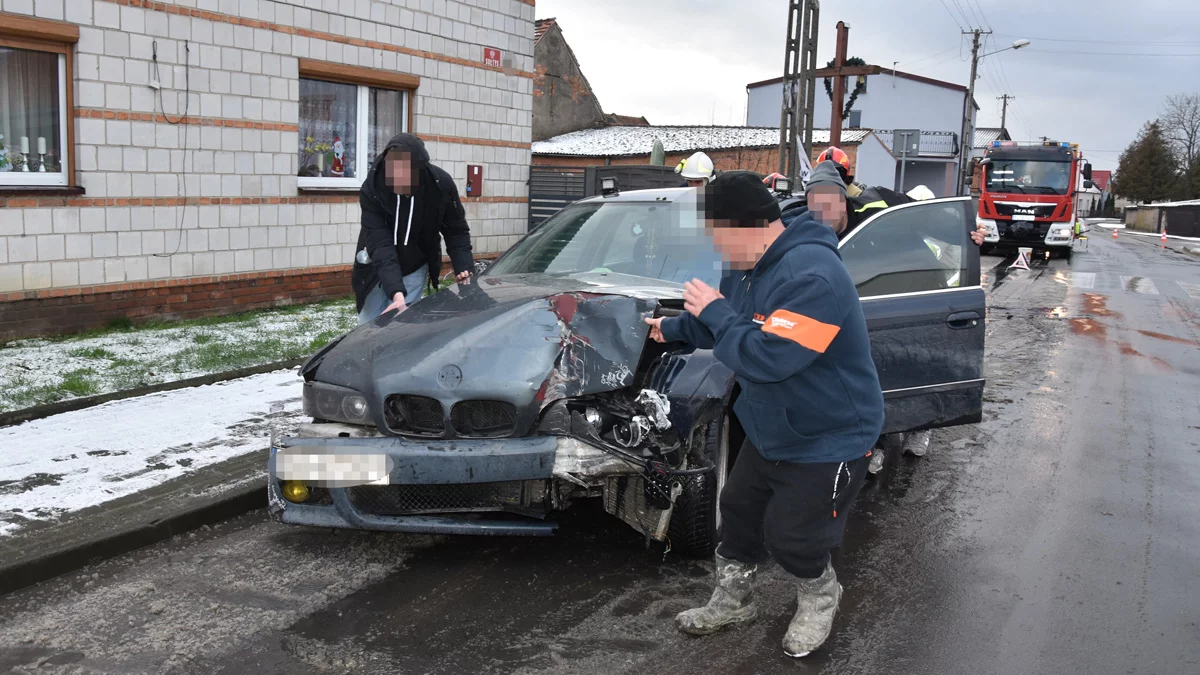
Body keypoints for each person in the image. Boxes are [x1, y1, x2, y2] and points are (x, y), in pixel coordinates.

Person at [644, 170, 884, 658]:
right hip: (773, 423)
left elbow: (769, 356)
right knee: (738, 512)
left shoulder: (814, 278)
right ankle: (734, 600)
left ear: (746, 227)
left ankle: (820, 596)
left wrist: (712, 312)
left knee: (793, 534)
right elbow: (729, 317)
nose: (715, 250)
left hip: (830, 433)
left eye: (717, 237)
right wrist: (672, 328)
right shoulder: (750, 263)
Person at [352, 133, 474, 324]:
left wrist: (463, 267)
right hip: (376, 265)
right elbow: (380, 243)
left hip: (415, 263)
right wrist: (396, 292)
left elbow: (455, 230)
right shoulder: (373, 188)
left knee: (403, 324)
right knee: (370, 325)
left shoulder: (440, 186)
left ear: (420, 171)